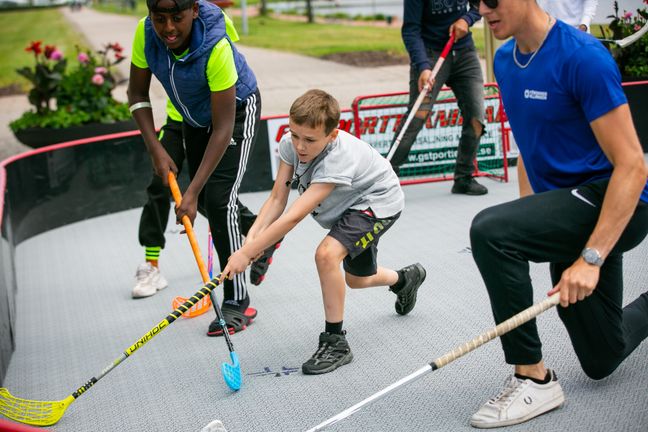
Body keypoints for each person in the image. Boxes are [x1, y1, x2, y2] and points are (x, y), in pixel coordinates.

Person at [469, 0, 648, 428]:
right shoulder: (505, 62)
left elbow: (634, 165)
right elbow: (531, 151)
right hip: (568, 209)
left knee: (490, 230)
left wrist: (591, 258)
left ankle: (534, 377)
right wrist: (532, 216)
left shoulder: (582, 57)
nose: (483, 9)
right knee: (602, 356)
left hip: (615, 203)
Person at [221, 89, 427, 374]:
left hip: (377, 202)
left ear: (332, 135)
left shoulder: (339, 157)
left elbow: (294, 215)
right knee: (356, 279)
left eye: (309, 140)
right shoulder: (290, 145)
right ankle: (405, 280)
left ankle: (335, 342)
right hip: (347, 206)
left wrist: (247, 253)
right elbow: (277, 199)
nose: (300, 146)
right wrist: (252, 239)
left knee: (326, 255)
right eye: (294, 135)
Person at [128, 0, 279, 336]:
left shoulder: (217, 48)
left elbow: (223, 130)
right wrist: (156, 147)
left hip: (235, 113)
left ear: (194, 10)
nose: (168, 28)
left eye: (177, 18)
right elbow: (136, 93)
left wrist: (192, 192)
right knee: (211, 202)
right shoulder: (144, 32)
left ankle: (237, 302)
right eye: (159, 18)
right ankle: (262, 237)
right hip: (192, 117)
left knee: (218, 200)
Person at [389, 0, 488, 195]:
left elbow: (482, 5)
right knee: (417, 117)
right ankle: (385, 181)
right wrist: (423, 66)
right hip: (431, 56)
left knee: (476, 117)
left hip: (464, 53)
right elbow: (410, 30)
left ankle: (464, 178)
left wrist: (467, 19)